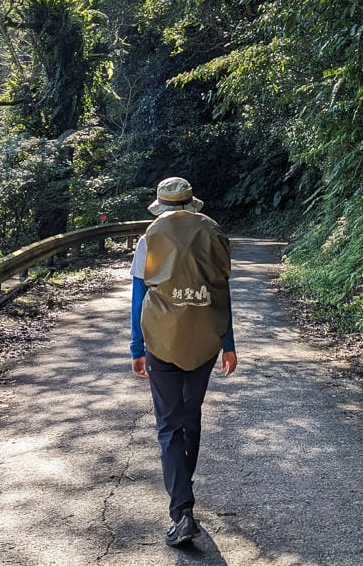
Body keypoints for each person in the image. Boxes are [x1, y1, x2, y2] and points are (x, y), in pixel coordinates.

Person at [129, 176, 237, 547]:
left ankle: (182, 512)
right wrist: (228, 343)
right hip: (206, 338)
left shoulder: (149, 238)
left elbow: (139, 294)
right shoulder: (214, 233)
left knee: (168, 426)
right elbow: (222, 291)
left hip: (161, 340)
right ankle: (184, 501)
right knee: (191, 417)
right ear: (191, 203)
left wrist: (136, 346)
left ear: (160, 204)